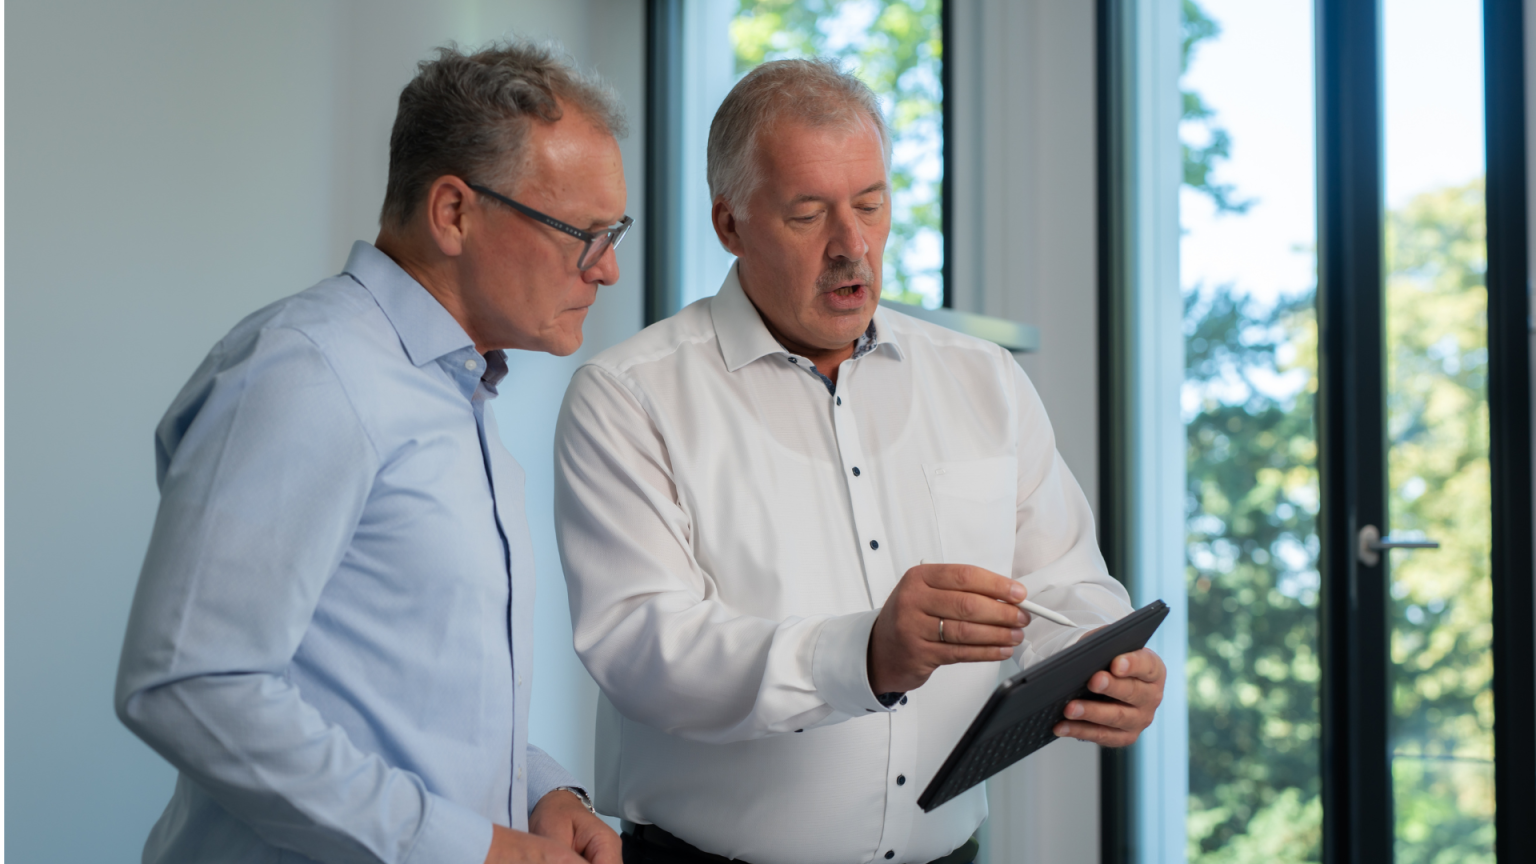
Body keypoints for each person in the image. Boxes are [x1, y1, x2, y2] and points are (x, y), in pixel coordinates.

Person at [552, 58, 1166, 864]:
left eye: (871, 205)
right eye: (808, 214)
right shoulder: (629, 396)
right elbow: (644, 650)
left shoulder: (984, 379)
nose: (852, 246)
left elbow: (1060, 582)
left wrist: (1102, 664)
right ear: (730, 225)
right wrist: (864, 656)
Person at [116, 41, 628, 864]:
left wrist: (541, 792)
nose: (608, 271)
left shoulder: (457, 391)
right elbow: (190, 684)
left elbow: (409, 696)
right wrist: (472, 849)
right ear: (453, 212)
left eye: (615, 232)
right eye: (585, 234)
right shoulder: (310, 372)